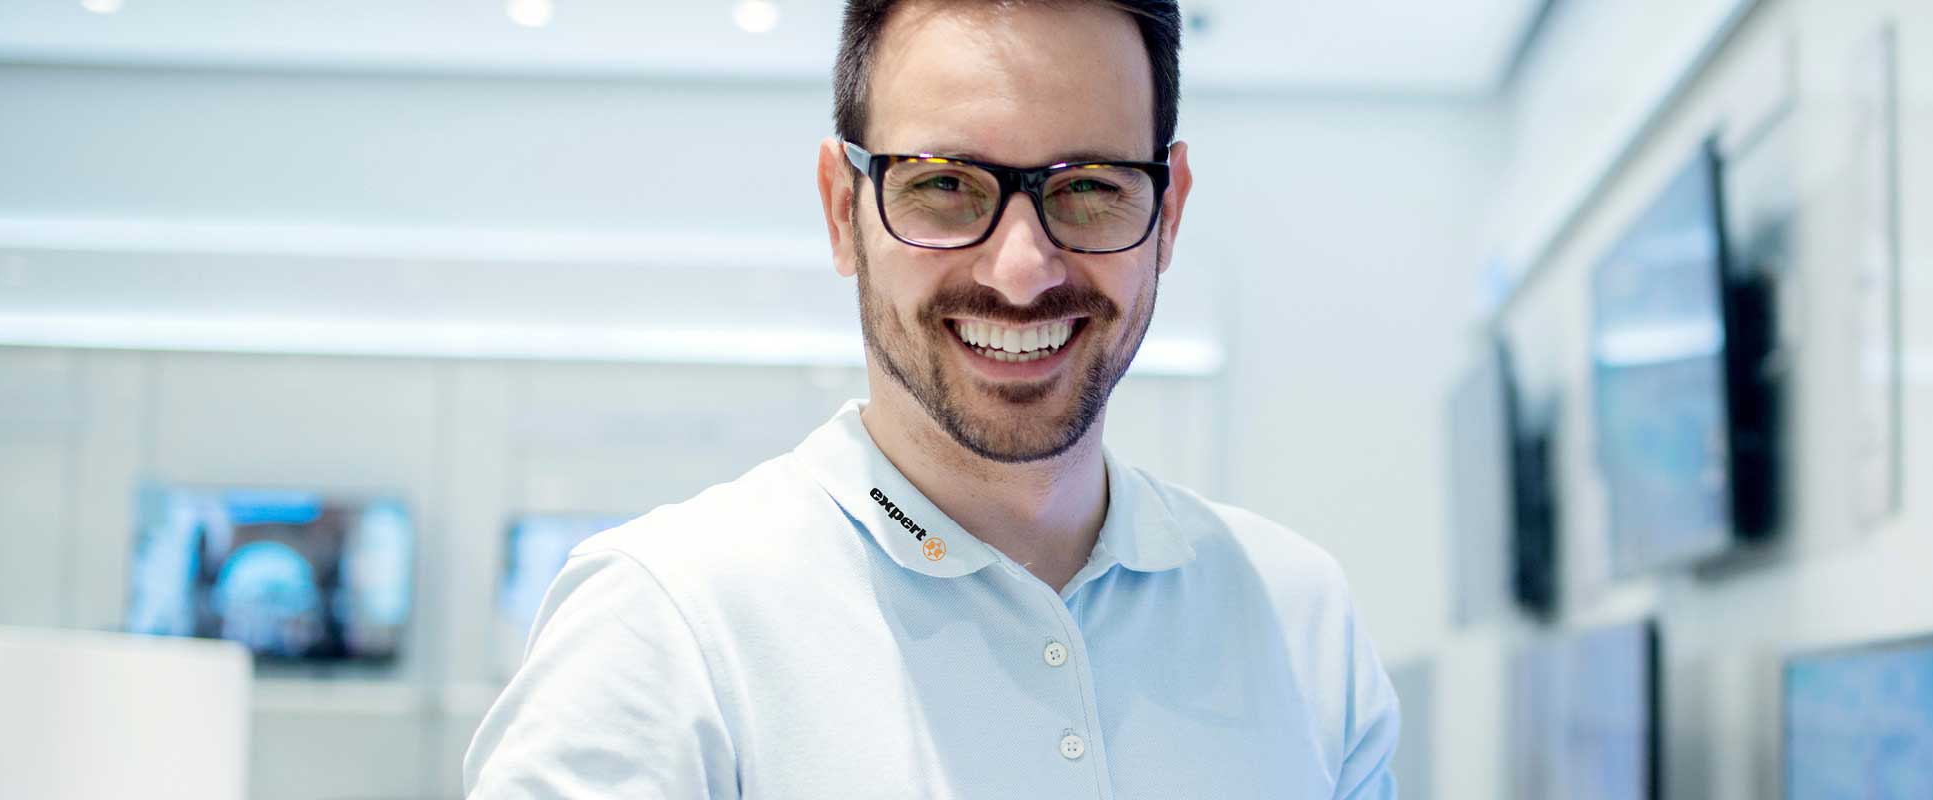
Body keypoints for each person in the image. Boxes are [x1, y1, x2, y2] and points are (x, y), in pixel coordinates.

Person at [461, 0, 1400, 797]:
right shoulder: (664, 625)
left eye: (1089, 188)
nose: (1023, 270)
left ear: (1169, 215)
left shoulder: (1298, 619)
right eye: (945, 185)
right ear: (844, 211)